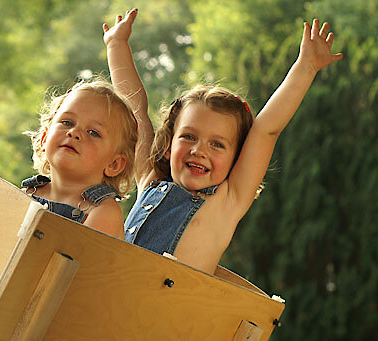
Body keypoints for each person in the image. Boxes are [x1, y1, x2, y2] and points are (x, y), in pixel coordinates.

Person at [104, 8, 343, 273]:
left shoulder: (228, 200)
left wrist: (307, 66)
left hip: (168, 311)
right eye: (189, 137)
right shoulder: (150, 179)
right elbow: (135, 109)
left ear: (237, 156)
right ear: (170, 143)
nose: (199, 150)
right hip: (114, 295)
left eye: (217, 144)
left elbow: (266, 129)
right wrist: (117, 45)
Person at [23, 79, 139, 238]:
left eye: (93, 132)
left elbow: (74, 258)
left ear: (114, 164)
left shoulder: (103, 212)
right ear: (44, 138)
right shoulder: (27, 193)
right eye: (67, 122)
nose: (74, 132)